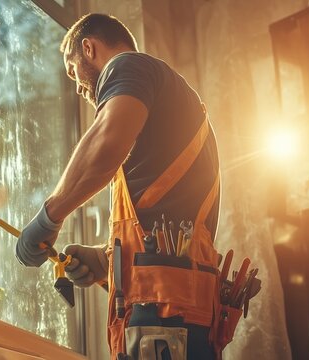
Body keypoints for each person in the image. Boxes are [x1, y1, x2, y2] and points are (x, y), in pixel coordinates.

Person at [15, 14, 221, 359]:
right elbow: (161, 216)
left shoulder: (127, 65)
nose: (78, 87)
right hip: (175, 308)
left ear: (88, 48)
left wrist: (49, 217)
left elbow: (107, 140)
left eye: (72, 71)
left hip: (166, 313)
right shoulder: (167, 102)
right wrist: (105, 261)